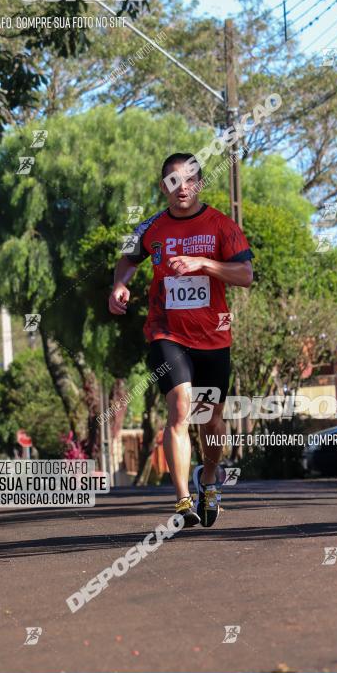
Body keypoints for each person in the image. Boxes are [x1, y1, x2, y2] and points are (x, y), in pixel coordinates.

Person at [108, 152, 253, 527]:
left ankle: (208, 478)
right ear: (164, 187)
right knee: (179, 408)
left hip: (213, 337)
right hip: (166, 332)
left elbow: (245, 274)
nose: (182, 188)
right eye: (174, 182)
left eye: (189, 181)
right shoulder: (149, 228)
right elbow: (127, 258)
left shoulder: (222, 225)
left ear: (200, 184)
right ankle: (181, 502)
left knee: (210, 420)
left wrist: (202, 263)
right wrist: (120, 284)